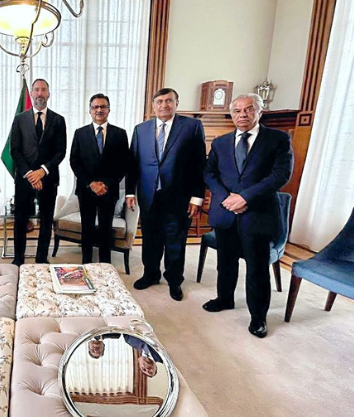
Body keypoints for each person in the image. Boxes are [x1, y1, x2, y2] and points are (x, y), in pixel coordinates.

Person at [203, 93, 293, 338]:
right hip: (226, 213)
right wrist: (226, 198)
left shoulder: (278, 139)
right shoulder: (221, 142)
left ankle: (258, 317)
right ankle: (224, 298)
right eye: (237, 111)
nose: (242, 115)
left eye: (248, 109)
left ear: (259, 112)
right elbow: (210, 174)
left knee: (256, 268)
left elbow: (281, 175)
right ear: (231, 114)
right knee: (226, 262)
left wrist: (245, 197)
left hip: (258, 214)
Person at [126, 88, 206, 301]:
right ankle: (150, 274)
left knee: (175, 241)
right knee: (150, 239)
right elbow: (133, 164)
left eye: (169, 101)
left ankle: (174, 280)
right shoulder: (141, 129)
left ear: (176, 103)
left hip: (178, 198)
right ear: (153, 106)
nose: (164, 105)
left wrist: (197, 197)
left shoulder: (192, 127)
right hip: (148, 195)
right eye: (159, 101)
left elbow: (200, 164)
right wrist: (129, 193)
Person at [9, 78, 67, 265]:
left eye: (43, 90)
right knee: (20, 220)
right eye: (36, 90)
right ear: (32, 94)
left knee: (46, 220)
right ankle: (18, 259)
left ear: (48, 94)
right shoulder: (19, 119)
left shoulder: (59, 120)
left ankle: (41, 258)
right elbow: (14, 150)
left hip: (48, 179)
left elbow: (61, 151)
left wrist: (42, 171)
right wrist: (30, 174)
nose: (40, 93)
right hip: (24, 179)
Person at [70, 93, 129, 264]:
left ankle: (105, 265)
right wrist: (91, 183)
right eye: (95, 107)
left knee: (105, 229)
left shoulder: (120, 134)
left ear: (109, 110)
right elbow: (74, 161)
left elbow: (123, 164)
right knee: (87, 229)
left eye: (103, 107)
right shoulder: (80, 133)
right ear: (90, 111)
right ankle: (86, 263)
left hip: (108, 190)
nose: (99, 110)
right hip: (86, 190)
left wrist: (106, 184)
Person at [88, 333, 163, 378]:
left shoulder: (129, 341)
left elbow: (119, 332)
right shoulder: (162, 356)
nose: (146, 369)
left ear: (138, 361)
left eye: (144, 369)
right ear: (155, 366)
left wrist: (100, 337)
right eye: (150, 371)